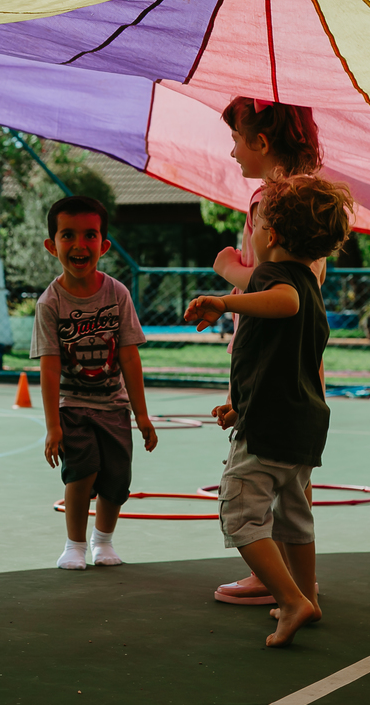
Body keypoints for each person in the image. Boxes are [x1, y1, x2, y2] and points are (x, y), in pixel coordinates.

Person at [184, 175, 352, 647]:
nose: (249, 237)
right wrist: (241, 406)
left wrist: (223, 300)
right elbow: (281, 362)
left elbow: (282, 302)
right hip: (301, 423)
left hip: (272, 429)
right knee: (294, 516)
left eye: (253, 227)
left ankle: (290, 598)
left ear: (270, 236)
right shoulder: (311, 284)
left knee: (239, 514)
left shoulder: (277, 281)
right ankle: (307, 594)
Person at [211, 97, 324, 607]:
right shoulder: (312, 199)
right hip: (300, 363)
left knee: (254, 486)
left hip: (266, 353)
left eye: (237, 140)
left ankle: (274, 581)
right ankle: (304, 585)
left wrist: (227, 275)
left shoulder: (271, 203)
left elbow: (272, 283)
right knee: (290, 484)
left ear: (260, 143)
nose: (233, 152)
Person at [31, 195, 157, 570]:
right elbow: (50, 367)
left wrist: (143, 415)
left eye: (90, 235)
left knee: (117, 478)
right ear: (52, 246)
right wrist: (53, 424)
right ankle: (74, 546)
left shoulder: (117, 294)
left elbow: (129, 357)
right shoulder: (50, 303)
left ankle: (103, 541)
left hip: (113, 405)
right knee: (81, 471)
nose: (79, 245)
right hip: (73, 405)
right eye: (68, 236)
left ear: (103, 245)